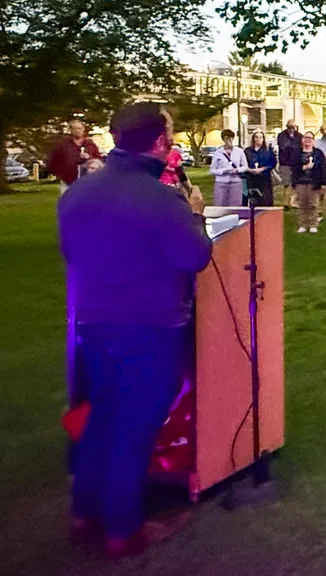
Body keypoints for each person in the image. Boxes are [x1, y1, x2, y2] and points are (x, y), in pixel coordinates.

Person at [58, 102, 212, 559]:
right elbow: (194, 257)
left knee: (102, 412)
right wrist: (196, 215)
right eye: (171, 133)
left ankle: (84, 512)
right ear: (160, 143)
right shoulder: (161, 198)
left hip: (92, 320)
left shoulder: (79, 193)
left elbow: (71, 251)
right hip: (149, 324)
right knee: (136, 424)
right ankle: (123, 528)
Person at [48, 119, 103, 194]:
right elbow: (53, 161)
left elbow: (99, 160)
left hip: (87, 181)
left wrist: (89, 158)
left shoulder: (90, 144)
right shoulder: (62, 145)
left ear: (83, 129)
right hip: (68, 181)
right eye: (74, 128)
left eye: (79, 128)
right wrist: (60, 174)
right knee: (67, 203)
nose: (77, 131)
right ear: (70, 130)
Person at [292, 131, 326, 232]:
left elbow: (323, 168)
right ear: (303, 140)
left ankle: (313, 224)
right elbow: (294, 168)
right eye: (306, 137)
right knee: (302, 203)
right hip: (300, 181)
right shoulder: (297, 153)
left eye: (310, 138)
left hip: (314, 182)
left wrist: (324, 183)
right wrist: (304, 167)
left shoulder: (318, 153)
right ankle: (303, 224)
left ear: (313, 140)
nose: (308, 140)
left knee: (313, 204)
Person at [209, 129, 248, 207]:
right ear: (223, 139)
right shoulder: (218, 153)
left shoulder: (239, 151)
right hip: (221, 182)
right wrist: (223, 171)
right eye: (226, 138)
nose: (229, 140)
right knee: (220, 204)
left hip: (236, 181)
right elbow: (212, 170)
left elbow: (245, 166)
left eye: (230, 138)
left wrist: (237, 170)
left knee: (236, 205)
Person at [243, 129, 277, 207]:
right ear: (253, 138)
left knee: (265, 199)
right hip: (252, 179)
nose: (258, 139)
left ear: (263, 139)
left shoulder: (268, 151)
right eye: (256, 137)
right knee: (254, 199)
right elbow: (244, 163)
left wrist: (263, 168)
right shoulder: (248, 151)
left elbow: (273, 163)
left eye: (261, 137)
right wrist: (250, 170)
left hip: (265, 179)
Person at [275, 120, 301, 206]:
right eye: (289, 127)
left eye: (293, 127)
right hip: (285, 163)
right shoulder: (282, 136)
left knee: (296, 184)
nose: (291, 129)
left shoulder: (299, 136)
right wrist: (291, 138)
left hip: (296, 162)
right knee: (286, 183)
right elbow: (283, 147)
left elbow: (299, 147)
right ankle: (286, 203)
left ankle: (293, 201)